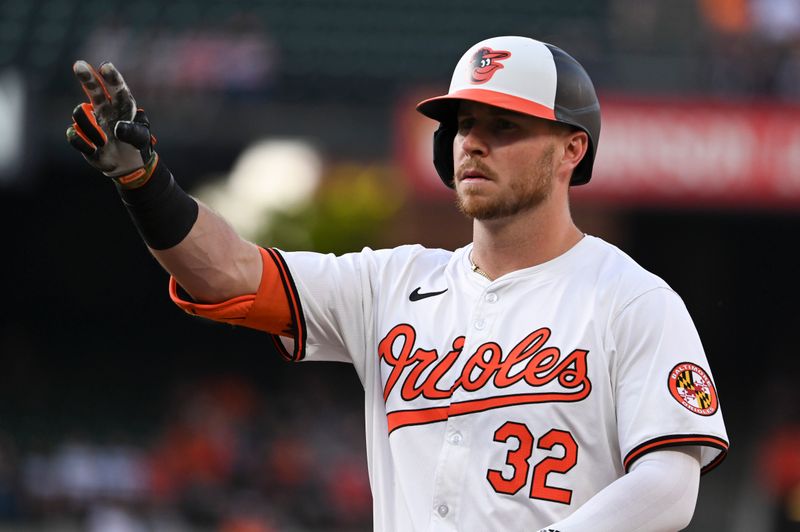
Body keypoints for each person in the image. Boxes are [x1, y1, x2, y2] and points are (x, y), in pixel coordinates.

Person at [67, 36, 729, 531]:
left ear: (571, 148)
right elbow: (227, 274)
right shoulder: (391, 283)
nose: (473, 143)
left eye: (505, 126)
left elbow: (670, 484)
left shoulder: (632, 300)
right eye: (465, 124)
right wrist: (145, 184)